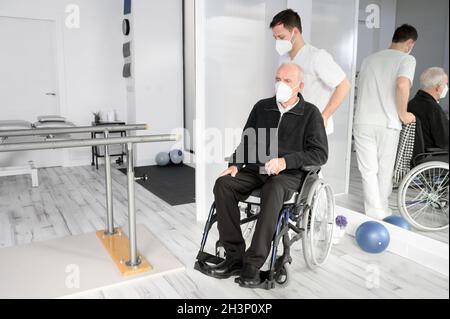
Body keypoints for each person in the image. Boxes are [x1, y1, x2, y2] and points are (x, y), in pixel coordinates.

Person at [206, 63, 328, 287]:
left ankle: (253, 264)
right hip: (257, 169)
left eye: (287, 81)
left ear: (300, 86)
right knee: (223, 184)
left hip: (288, 175)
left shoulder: (310, 113)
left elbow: (320, 154)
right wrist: (235, 164)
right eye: (278, 79)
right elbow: (247, 139)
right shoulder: (262, 107)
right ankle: (234, 258)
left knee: (273, 189)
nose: (280, 84)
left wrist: (285, 161)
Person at [354, 24, 418, 220]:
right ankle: (381, 209)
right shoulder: (407, 59)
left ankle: (374, 211)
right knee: (384, 169)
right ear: (410, 43)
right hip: (388, 122)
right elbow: (402, 84)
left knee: (368, 170)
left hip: (363, 120)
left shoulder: (368, 59)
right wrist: (403, 112)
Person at [270, 9, 351, 134]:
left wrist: (324, 116)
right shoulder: (284, 58)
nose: (278, 42)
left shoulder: (317, 57)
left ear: (295, 32)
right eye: (275, 38)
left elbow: (344, 85)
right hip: (289, 124)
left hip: (311, 126)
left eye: (281, 37)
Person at [408, 67, 449, 154]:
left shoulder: (412, 103)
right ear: (438, 88)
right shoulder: (434, 109)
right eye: (446, 84)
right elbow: (445, 142)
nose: (447, 88)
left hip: (416, 155)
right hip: (432, 156)